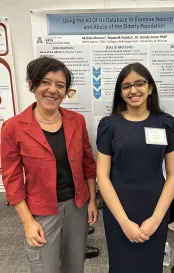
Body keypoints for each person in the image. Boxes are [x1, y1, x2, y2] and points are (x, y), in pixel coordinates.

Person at [1, 56, 98, 273]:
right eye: (45, 82)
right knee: (45, 268)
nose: (52, 90)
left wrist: (92, 200)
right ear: (32, 85)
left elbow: (88, 164)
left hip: (78, 205)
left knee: (75, 266)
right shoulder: (13, 127)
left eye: (60, 85)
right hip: (41, 210)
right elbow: (12, 180)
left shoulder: (76, 121)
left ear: (66, 91)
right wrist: (28, 222)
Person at [96, 62, 174, 273]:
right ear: (120, 92)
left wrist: (156, 219)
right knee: (121, 265)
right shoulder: (109, 125)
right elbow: (102, 177)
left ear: (150, 88)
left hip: (155, 207)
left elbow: (172, 175)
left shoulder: (165, 123)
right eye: (126, 86)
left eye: (140, 83)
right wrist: (124, 222)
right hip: (119, 209)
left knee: (151, 266)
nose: (133, 90)